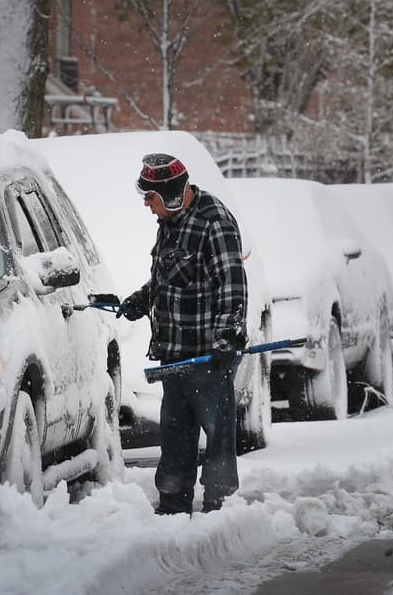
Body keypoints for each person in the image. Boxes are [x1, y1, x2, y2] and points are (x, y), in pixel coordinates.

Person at [118, 153, 249, 515]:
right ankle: (173, 506)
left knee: (217, 438)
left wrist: (228, 337)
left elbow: (232, 285)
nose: (147, 204)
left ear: (172, 194)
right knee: (175, 438)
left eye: (151, 197)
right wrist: (143, 299)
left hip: (208, 357)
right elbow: (173, 277)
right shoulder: (170, 222)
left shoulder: (214, 221)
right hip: (174, 355)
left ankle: (220, 509)